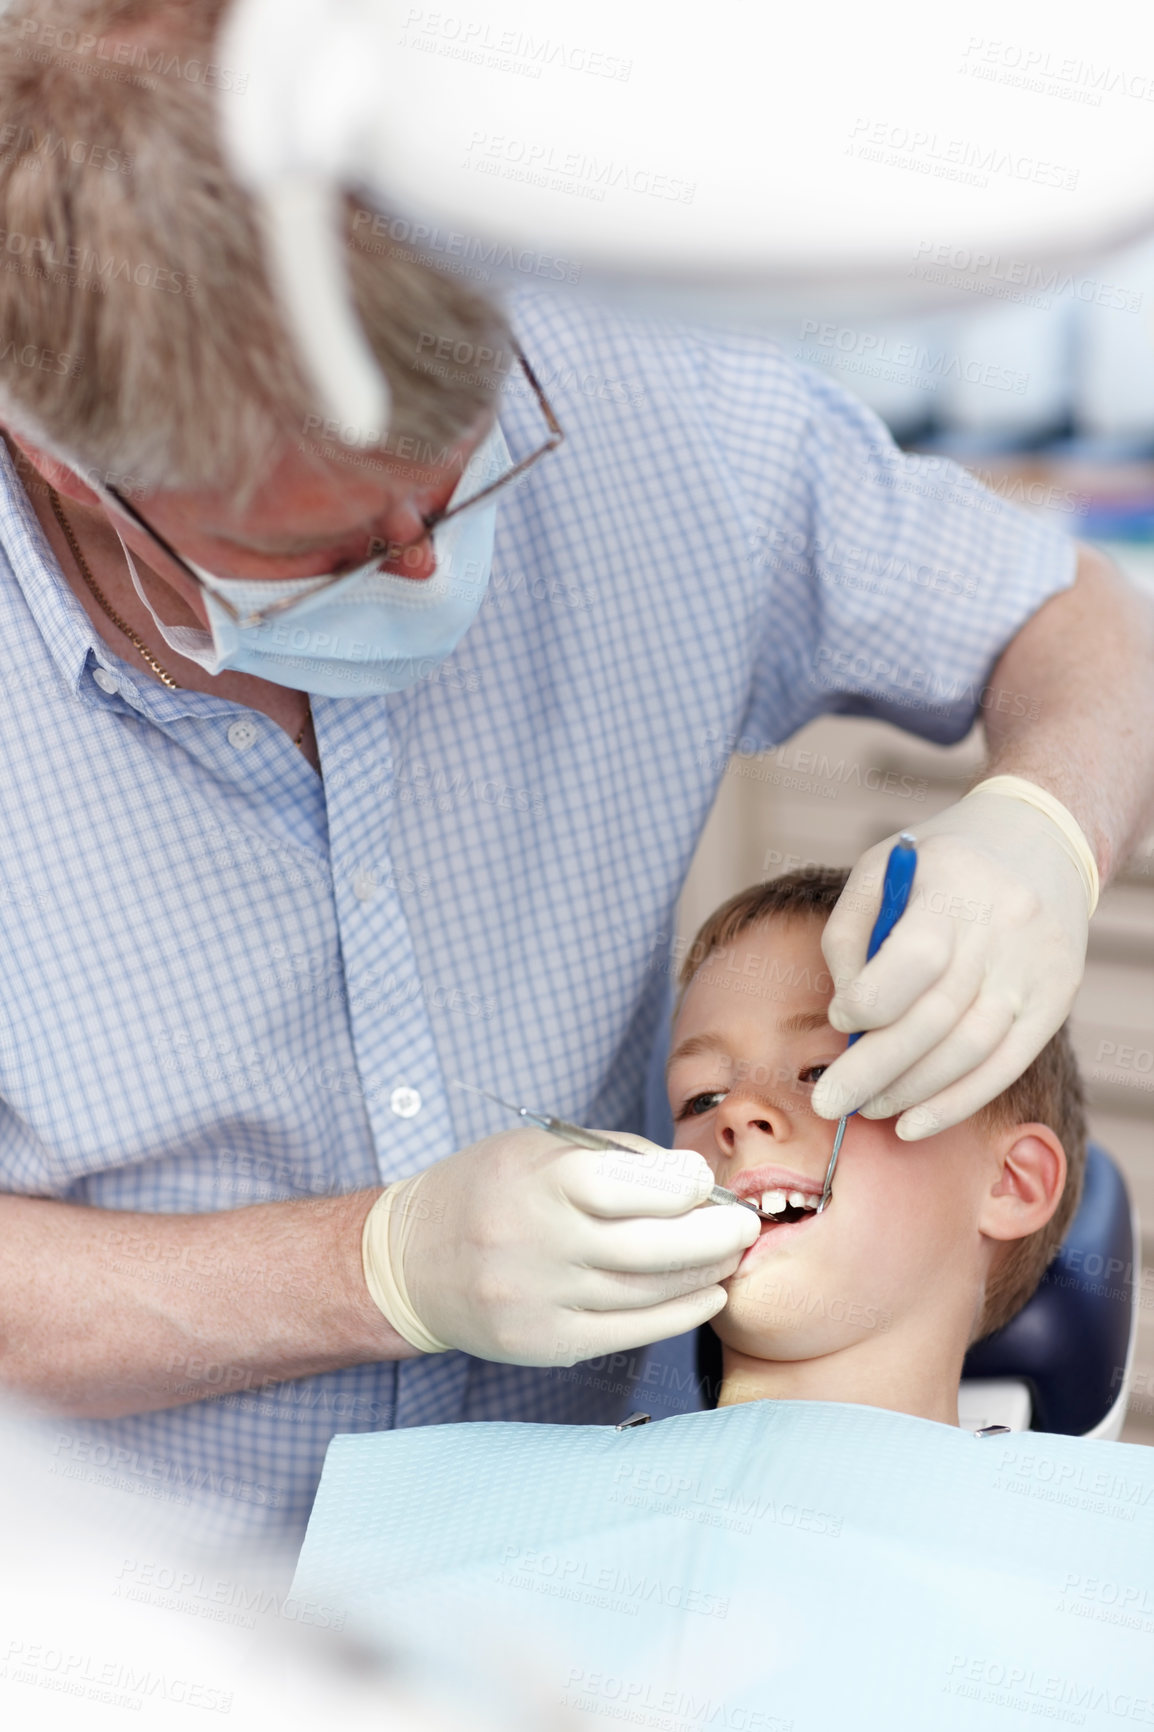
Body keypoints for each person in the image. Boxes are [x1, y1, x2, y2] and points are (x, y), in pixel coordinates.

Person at [0, 0, 1150, 1551]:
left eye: (464, 466)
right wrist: (377, 1268)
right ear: (67, 463)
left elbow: (1078, 630)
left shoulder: (640, 390)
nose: (422, 559)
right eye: (323, 543)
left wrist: (1046, 826)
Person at [665, 867, 1084, 1424]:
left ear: (1012, 1184)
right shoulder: (539, 1488)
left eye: (820, 1070)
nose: (737, 1112)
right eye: (702, 1098)